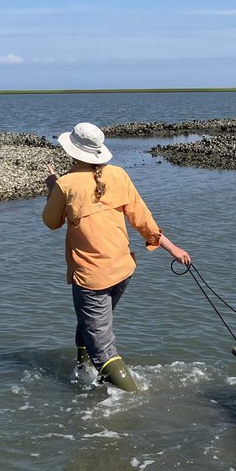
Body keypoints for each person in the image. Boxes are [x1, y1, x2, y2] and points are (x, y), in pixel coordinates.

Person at [42, 122, 191, 391]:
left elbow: (51, 222)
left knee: (103, 350)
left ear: (72, 151)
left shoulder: (66, 184)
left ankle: (135, 399)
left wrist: (52, 188)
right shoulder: (119, 175)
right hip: (123, 270)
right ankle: (83, 372)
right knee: (88, 324)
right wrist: (172, 248)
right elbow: (142, 218)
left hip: (91, 277)